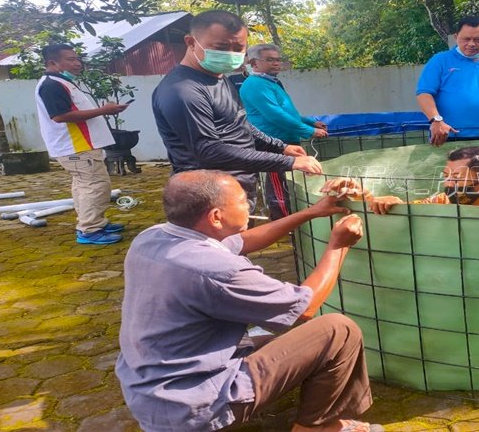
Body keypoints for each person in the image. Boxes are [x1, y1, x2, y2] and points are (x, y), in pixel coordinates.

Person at [116, 170, 383, 432]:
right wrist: (338, 245)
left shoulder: (152, 238)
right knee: (338, 331)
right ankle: (317, 427)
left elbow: (241, 241)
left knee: (271, 341)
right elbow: (305, 308)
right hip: (194, 406)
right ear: (216, 217)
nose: (250, 204)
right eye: (243, 200)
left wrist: (310, 212)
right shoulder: (217, 270)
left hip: (152, 392)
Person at [152, 10, 323, 212]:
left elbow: (240, 124)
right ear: (191, 42)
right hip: (208, 198)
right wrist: (287, 162)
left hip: (235, 190)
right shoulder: (183, 91)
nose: (230, 54)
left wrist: (279, 147)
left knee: (239, 242)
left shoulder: (219, 78)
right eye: (221, 47)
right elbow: (209, 151)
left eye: (238, 48)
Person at [322, 146, 479, 236]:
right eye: (446, 176)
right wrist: (364, 196)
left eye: (457, 177)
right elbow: (404, 210)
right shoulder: (442, 201)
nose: (449, 184)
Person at [34, 43, 128, 245]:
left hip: (79, 146)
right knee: (94, 186)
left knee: (84, 186)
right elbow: (60, 116)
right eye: (71, 59)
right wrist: (104, 110)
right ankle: (90, 230)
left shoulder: (61, 82)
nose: (78, 63)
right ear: (52, 62)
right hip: (76, 146)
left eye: (77, 58)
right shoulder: (52, 85)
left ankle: (95, 223)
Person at [240, 43, 328, 220]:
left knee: (288, 182)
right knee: (278, 185)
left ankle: (290, 219)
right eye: (270, 60)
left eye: (278, 60)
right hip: (273, 143)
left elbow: (288, 112)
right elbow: (275, 115)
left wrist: (311, 122)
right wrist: (307, 130)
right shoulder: (255, 85)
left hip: (286, 141)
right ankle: (283, 222)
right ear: (254, 63)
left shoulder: (270, 83)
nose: (276, 63)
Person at [417, 16, 479, 146]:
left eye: (478, 40)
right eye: (466, 39)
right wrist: (436, 120)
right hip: (447, 135)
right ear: (456, 37)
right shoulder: (440, 61)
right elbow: (424, 94)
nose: (471, 44)